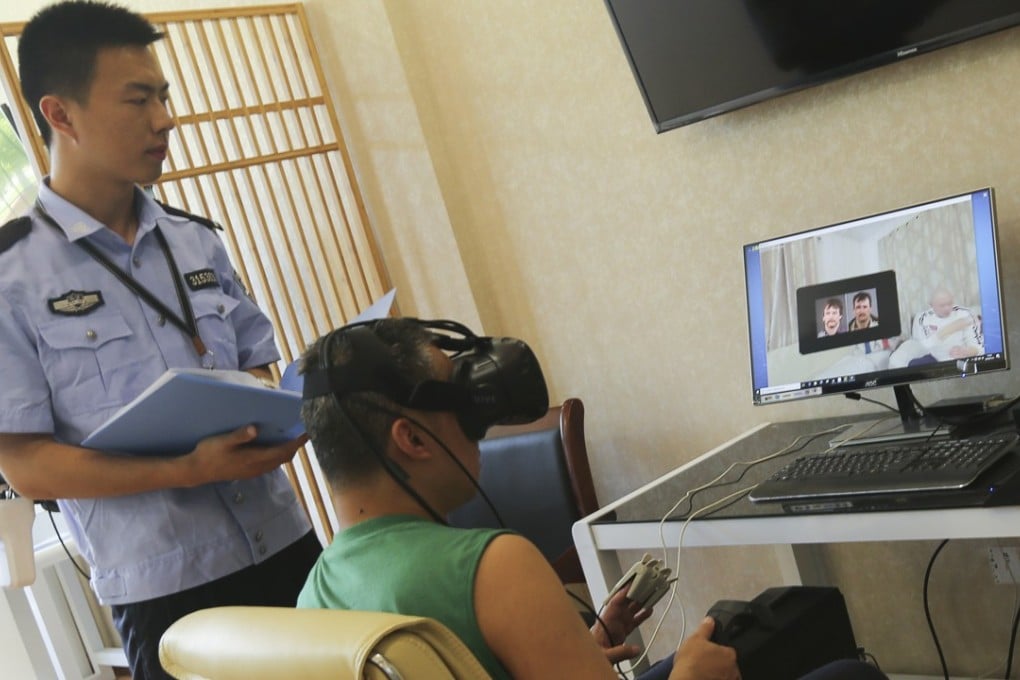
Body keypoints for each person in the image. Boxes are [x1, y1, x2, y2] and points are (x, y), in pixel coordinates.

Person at [0, 3, 319, 678]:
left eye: (164, 96)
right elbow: (25, 466)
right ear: (61, 114)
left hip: (289, 546)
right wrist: (187, 469)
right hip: (169, 590)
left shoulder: (195, 238)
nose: (164, 119)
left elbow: (258, 369)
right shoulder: (12, 277)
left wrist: (282, 414)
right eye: (138, 99)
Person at [296, 317, 888, 680]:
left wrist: (566, 651)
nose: (478, 420)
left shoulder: (311, 603)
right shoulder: (494, 565)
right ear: (413, 439)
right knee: (845, 674)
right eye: (460, 400)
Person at [888, 286, 983, 368]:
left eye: (950, 303)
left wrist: (966, 352)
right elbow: (925, 345)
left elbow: (978, 346)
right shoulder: (923, 318)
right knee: (913, 365)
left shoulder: (965, 314)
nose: (947, 308)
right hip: (936, 358)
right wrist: (952, 328)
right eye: (942, 305)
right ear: (931, 305)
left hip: (960, 358)